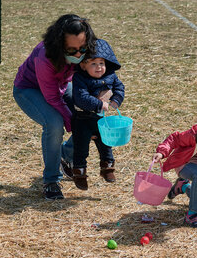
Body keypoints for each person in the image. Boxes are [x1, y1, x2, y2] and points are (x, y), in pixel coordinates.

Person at [13, 14, 97, 200]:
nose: (78, 54)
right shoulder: (45, 57)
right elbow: (52, 97)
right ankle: (51, 181)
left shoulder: (86, 51)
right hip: (29, 90)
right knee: (55, 124)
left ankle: (65, 155)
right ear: (59, 45)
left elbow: (99, 74)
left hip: (59, 85)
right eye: (71, 50)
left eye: (82, 48)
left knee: (91, 113)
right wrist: (74, 124)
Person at [70, 39, 125, 190]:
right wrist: (100, 104)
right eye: (93, 63)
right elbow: (81, 98)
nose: (99, 67)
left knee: (106, 143)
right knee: (81, 148)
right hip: (82, 119)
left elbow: (119, 87)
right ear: (83, 65)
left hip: (100, 118)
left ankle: (107, 168)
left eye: (101, 63)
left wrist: (116, 100)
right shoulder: (79, 78)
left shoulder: (110, 76)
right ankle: (79, 172)